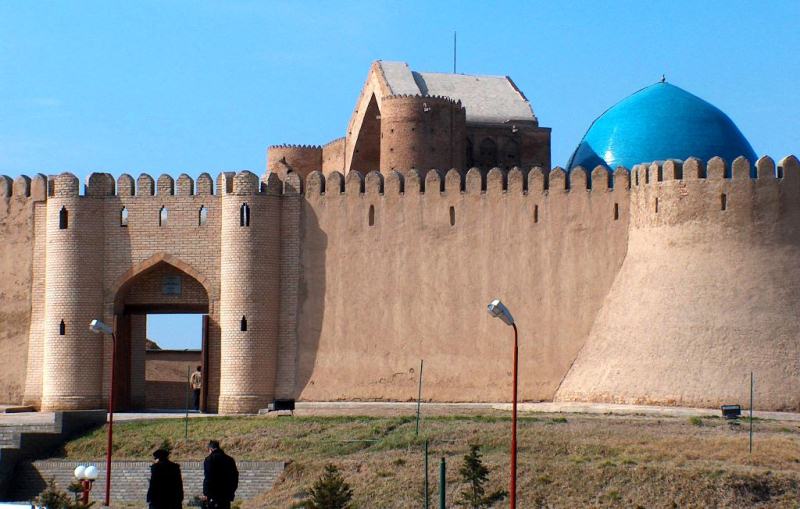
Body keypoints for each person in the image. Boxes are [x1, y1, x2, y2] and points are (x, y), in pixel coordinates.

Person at [203, 440, 239, 509]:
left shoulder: (209, 459)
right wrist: (231, 491)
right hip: (226, 497)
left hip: (213, 497)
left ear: (210, 449)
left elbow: (208, 478)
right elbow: (235, 477)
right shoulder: (230, 460)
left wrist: (206, 493)